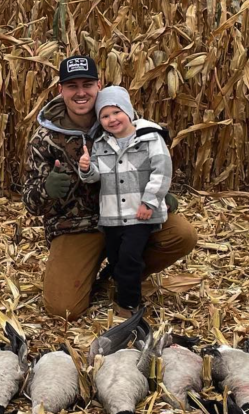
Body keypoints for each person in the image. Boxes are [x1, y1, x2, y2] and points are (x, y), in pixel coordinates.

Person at [19, 55, 198, 321]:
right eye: (72, 86)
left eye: (87, 84)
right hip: (77, 226)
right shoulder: (45, 138)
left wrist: (157, 193)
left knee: (182, 234)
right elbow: (31, 204)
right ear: (61, 90)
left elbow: (157, 161)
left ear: (98, 86)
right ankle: (97, 274)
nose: (81, 92)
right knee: (63, 310)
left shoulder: (123, 120)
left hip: (127, 215)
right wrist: (47, 189)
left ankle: (121, 277)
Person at [77, 86, 170, 317]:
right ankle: (117, 288)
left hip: (139, 214)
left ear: (128, 111)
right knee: (118, 258)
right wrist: (87, 169)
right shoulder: (100, 144)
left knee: (129, 259)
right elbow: (96, 176)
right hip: (112, 216)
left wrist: (150, 202)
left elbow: (162, 171)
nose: (111, 119)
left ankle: (128, 306)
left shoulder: (150, 138)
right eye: (105, 116)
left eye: (116, 112)